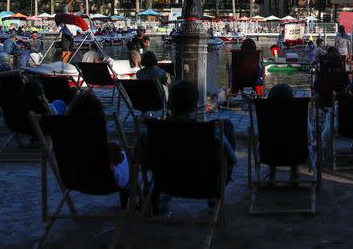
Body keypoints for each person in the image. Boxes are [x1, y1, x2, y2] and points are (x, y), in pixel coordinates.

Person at [150, 80, 236, 216]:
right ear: (196, 105)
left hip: (166, 184)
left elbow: (142, 161)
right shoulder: (213, 132)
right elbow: (232, 159)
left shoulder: (153, 131)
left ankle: (161, 199)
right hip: (205, 185)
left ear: (168, 104)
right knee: (227, 129)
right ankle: (214, 199)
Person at [65, 92, 129, 190]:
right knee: (127, 156)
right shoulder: (102, 145)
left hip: (74, 180)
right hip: (106, 182)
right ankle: (135, 197)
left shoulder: (68, 140)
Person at [265, 83, 299, 182]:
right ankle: (294, 174)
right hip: (294, 153)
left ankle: (272, 175)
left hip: (270, 153)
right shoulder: (298, 116)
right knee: (294, 143)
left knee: (272, 142)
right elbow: (308, 136)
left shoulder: (266, 118)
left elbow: (261, 137)